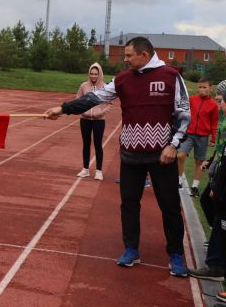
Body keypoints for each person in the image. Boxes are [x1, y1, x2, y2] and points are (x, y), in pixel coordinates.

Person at [44, 36, 191, 277]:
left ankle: (175, 254)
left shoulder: (170, 76)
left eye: (128, 55)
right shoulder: (122, 79)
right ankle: (131, 249)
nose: (125, 59)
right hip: (131, 154)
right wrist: (63, 109)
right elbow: (94, 98)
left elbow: (184, 113)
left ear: (144, 56)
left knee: (170, 206)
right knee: (129, 204)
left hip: (162, 155)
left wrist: (173, 145)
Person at [189, 86, 226, 282]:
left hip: (223, 177)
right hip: (220, 170)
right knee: (216, 213)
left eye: (222, 101)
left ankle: (216, 266)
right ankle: (216, 262)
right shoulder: (223, 119)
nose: (220, 105)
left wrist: (218, 186)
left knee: (220, 215)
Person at [177, 77, 219, 196]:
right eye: (200, 87)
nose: (202, 89)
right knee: (180, 155)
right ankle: (179, 181)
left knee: (199, 162)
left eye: (204, 87)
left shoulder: (213, 105)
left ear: (210, 88)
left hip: (203, 137)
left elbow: (214, 123)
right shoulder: (192, 100)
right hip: (189, 134)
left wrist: (214, 138)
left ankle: (194, 187)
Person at [75, 63, 112, 181]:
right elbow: (77, 101)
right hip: (85, 119)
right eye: (91, 73)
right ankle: (85, 169)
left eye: (96, 74)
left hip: (99, 121)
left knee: (98, 145)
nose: (93, 76)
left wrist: (100, 113)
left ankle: (98, 171)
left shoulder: (105, 87)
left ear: (100, 74)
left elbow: (109, 104)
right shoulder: (84, 86)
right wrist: (83, 112)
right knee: (86, 144)